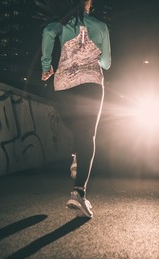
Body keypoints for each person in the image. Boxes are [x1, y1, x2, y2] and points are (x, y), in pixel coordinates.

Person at [36, 0, 111, 217]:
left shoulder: (61, 23)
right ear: (90, 3)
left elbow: (48, 32)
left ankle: (77, 157)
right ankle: (78, 192)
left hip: (64, 86)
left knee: (76, 128)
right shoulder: (101, 26)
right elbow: (106, 63)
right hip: (91, 84)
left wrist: (45, 65)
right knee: (88, 135)